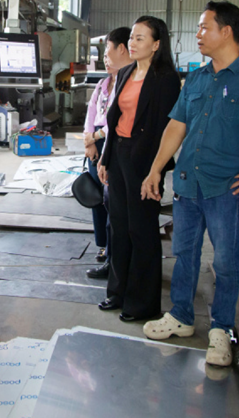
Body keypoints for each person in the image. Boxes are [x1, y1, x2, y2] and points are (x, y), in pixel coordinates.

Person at [140, 2, 239, 367]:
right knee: (184, 253)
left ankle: (222, 327)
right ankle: (182, 316)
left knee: (226, 259)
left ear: (227, 32)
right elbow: (177, 126)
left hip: (226, 188)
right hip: (189, 182)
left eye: (204, 27)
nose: (198, 34)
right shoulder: (197, 78)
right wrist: (156, 170)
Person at [96, 16, 181, 322]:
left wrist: (154, 170)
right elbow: (113, 120)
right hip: (119, 153)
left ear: (156, 45)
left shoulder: (165, 79)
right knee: (119, 226)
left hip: (145, 159)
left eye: (140, 38)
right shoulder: (125, 72)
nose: (132, 43)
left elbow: (164, 129)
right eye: (132, 37)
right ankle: (117, 292)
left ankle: (143, 303)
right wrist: (105, 159)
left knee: (141, 229)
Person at [83, 26, 132, 278]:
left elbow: (117, 120)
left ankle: (115, 255)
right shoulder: (103, 83)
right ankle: (103, 245)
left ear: (122, 49)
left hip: (110, 142)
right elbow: (91, 113)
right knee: (97, 198)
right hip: (96, 144)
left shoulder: (128, 83)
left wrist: (96, 136)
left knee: (112, 200)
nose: (104, 57)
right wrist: (88, 140)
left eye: (107, 51)